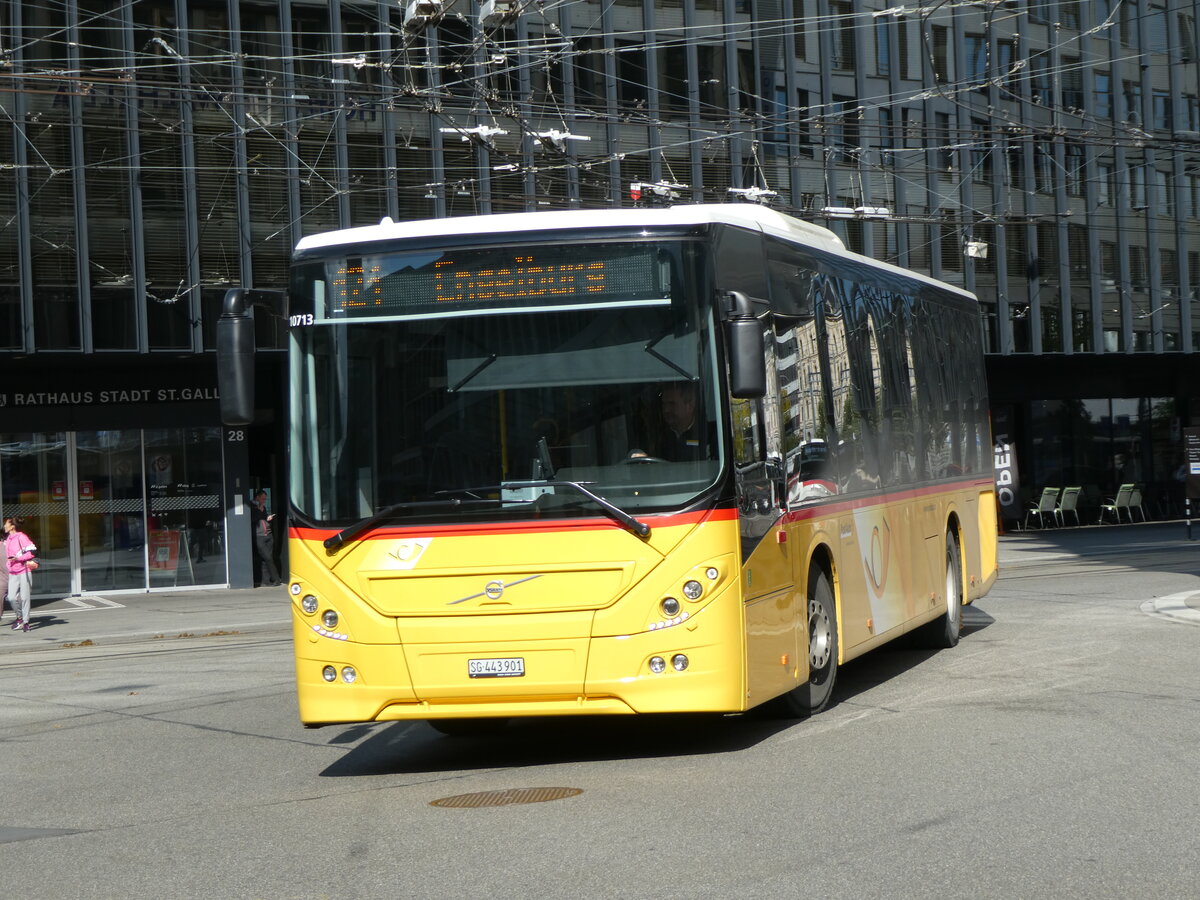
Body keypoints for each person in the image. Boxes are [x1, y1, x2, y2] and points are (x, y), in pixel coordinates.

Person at [4, 516, 37, 632]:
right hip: (13, 571)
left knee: (25, 597)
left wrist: (18, 558)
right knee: (11, 597)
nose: (4, 526)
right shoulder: (8, 539)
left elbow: (32, 552)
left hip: (24, 571)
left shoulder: (22, 537)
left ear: (12, 526)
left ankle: (26, 622)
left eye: (6, 524)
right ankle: (20, 617)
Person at [251, 491, 281, 587]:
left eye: (265, 499)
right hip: (259, 536)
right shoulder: (252, 507)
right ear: (257, 498)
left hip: (268, 535)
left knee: (266, 559)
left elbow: (263, 518)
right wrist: (260, 511)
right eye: (263, 498)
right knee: (268, 558)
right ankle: (276, 579)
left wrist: (268, 517)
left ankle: (266, 581)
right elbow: (254, 519)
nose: (264, 501)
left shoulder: (263, 508)